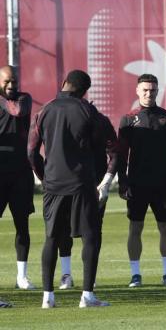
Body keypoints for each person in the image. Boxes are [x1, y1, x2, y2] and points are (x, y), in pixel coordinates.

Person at [27, 69, 109, 308]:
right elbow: (99, 148)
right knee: (91, 236)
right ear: (85, 92)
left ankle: (47, 297)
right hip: (81, 183)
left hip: (53, 184)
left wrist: (44, 177)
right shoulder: (88, 111)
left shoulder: (44, 111)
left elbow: (31, 152)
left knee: (51, 238)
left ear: (64, 83)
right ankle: (87, 296)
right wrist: (98, 179)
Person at [117, 74, 166, 288]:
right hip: (136, 183)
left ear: (157, 91)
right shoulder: (129, 119)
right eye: (145, 90)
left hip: (162, 183)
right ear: (137, 91)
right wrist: (123, 182)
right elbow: (121, 154)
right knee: (135, 228)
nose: (149, 93)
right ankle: (135, 275)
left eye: (153, 90)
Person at [57, 107, 118, 290]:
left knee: (92, 230)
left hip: (93, 183)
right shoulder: (61, 119)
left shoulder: (100, 120)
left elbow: (114, 152)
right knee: (64, 228)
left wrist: (106, 181)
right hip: (68, 181)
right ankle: (66, 274)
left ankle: (88, 277)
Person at [0, 66, 36, 290]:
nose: (12, 86)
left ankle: (22, 276)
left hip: (21, 173)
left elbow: (15, 111)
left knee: (22, 225)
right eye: (6, 82)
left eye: (14, 81)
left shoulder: (25, 99)